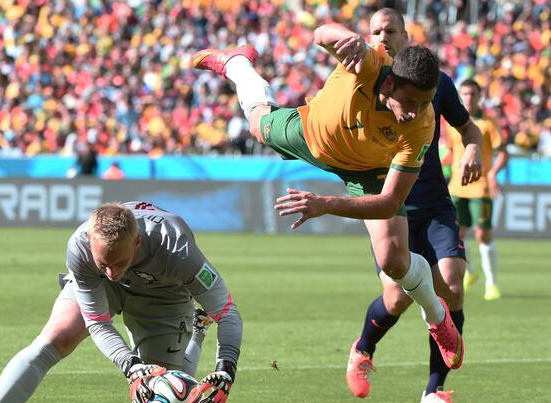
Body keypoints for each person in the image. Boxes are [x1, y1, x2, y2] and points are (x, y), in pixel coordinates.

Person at [193, 23, 466, 379]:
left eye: (425, 103)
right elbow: (320, 33)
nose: (415, 112)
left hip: (368, 171)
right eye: (409, 102)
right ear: (388, 84)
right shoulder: (369, 63)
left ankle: (437, 317)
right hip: (312, 134)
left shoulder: (421, 124)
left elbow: (388, 201)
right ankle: (237, 64)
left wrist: (326, 204)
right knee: (258, 126)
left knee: (394, 261)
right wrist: (346, 37)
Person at [0, 202, 242, 403]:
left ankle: (197, 329)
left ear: (137, 242)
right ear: (90, 243)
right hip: (101, 289)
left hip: (164, 295)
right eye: (105, 263)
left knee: (169, 400)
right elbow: (98, 322)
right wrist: (131, 367)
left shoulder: (175, 247)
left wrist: (225, 371)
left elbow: (227, 312)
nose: (113, 270)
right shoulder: (81, 248)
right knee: (57, 336)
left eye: (120, 262)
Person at [339, 8, 483, 403]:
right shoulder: (361, 86)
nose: (383, 37)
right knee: (398, 298)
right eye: (376, 31)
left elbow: (468, 128)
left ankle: (433, 390)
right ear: (368, 38)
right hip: (389, 207)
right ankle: (363, 349)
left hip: (435, 203)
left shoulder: (439, 86)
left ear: (406, 34)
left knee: (451, 285)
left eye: (391, 30)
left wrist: (472, 146)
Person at [448, 79, 509, 301]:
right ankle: (471, 272)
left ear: (479, 96)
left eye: (472, 94)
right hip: (456, 186)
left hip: (480, 186)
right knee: (456, 234)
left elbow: (502, 152)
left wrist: (493, 173)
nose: (468, 98)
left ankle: (491, 283)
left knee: (483, 233)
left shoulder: (488, 123)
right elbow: (450, 150)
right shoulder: (451, 122)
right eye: (464, 93)